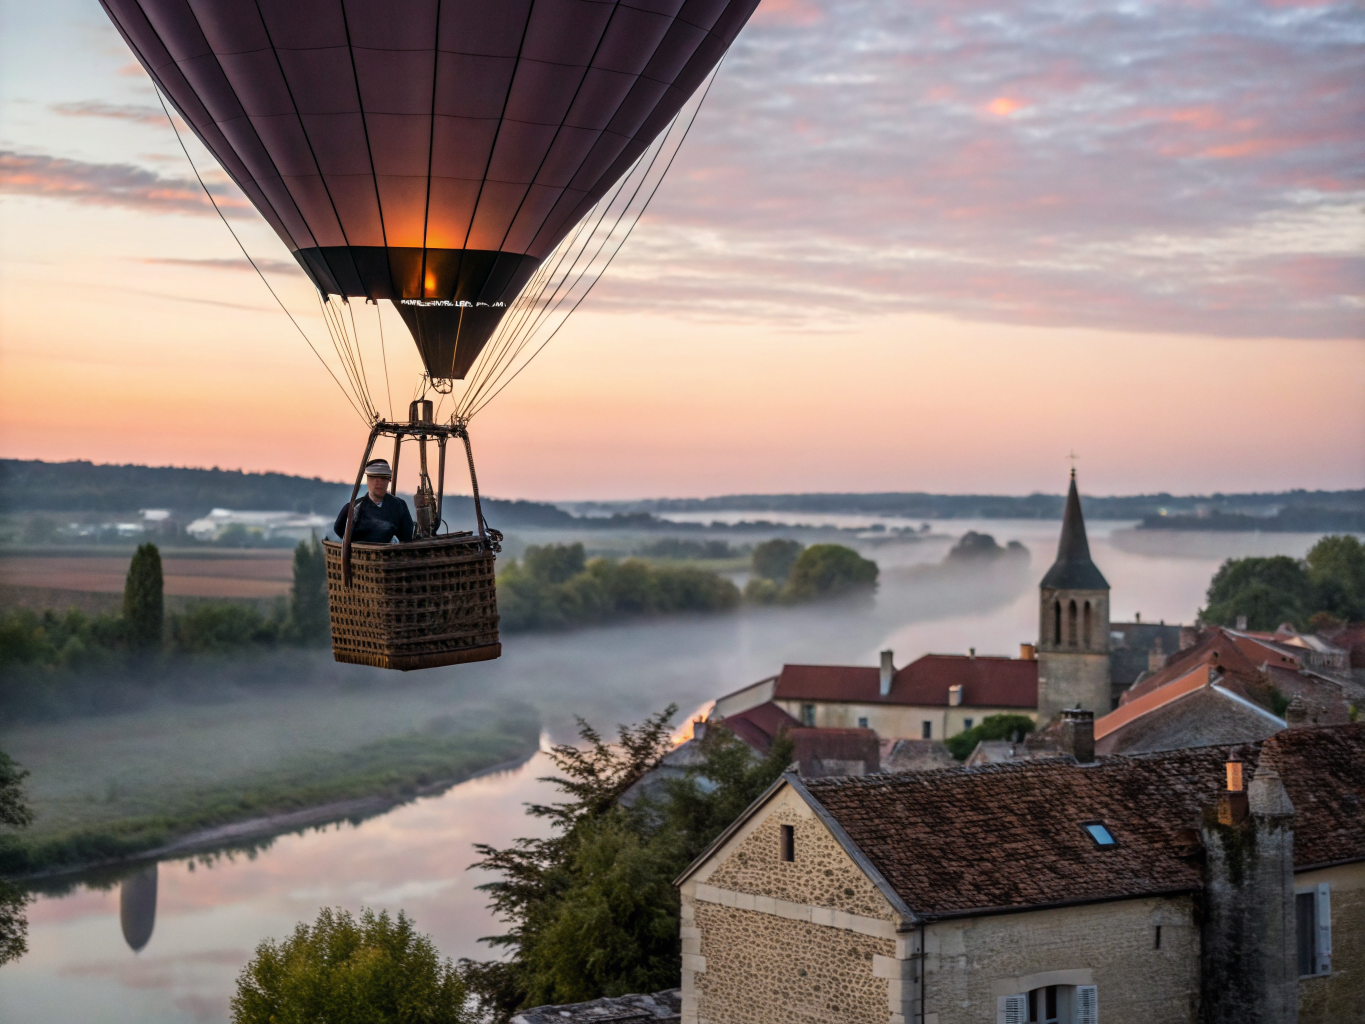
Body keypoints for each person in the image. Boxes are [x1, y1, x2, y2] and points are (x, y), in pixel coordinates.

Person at [334, 459, 414, 544]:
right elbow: (340, 531)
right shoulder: (354, 508)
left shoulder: (399, 505)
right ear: (367, 479)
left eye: (383, 478)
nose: (378, 482)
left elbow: (407, 537)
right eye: (374, 477)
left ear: (389, 480)